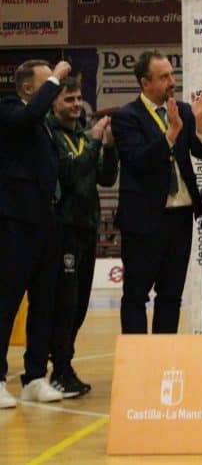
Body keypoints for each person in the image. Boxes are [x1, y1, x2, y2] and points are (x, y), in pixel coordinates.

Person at [113, 51, 202, 335]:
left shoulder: (181, 110)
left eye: (172, 74)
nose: (172, 81)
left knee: (171, 296)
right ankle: (137, 364)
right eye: (164, 76)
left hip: (180, 216)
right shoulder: (126, 116)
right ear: (145, 82)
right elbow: (137, 161)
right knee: (136, 296)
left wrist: (200, 121)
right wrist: (170, 134)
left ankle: (162, 360)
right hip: (143, 220)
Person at [0, 59, 69, 408]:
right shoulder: (10, 110)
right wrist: (56, 77)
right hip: (16, 223)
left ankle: (35, 376)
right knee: (7, 301)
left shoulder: (45, 125)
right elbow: (27, 117)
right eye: (47, 84)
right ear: (29, 88)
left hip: (47, 223)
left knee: (44, 303)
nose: (55, 89)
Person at [47, 78, 118, 397]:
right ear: (53, 104)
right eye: (68, 100)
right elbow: (71, 173)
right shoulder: (51, 136)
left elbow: (105, 177)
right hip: (62, 230)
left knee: (79, 305)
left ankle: (64, 364)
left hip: (87, 227)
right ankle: (59, 368)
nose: (76, 105)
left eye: (78, 99)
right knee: (65, 303)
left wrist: (109, 146)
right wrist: (93, 142)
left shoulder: (80, 135)